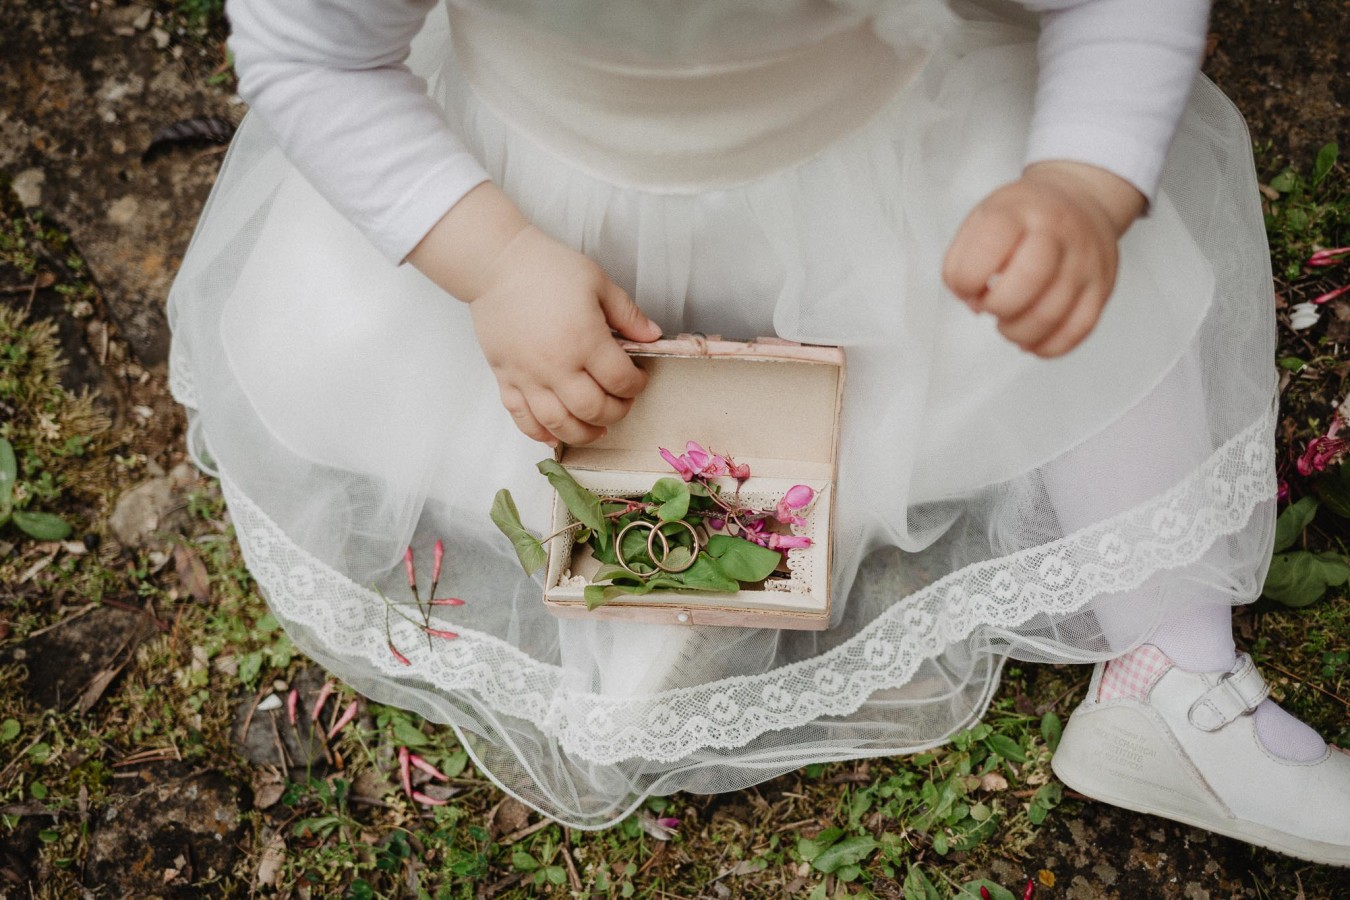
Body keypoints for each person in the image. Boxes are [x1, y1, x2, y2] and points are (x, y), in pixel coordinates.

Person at [167, 0, 1349, 861]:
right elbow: (312, 53)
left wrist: (1082, 188)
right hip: (542, 207)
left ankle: (1169, 671)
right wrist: (495, 264)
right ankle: (656, 573)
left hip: (889, 176)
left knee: (1104, 313)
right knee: (588, 399)